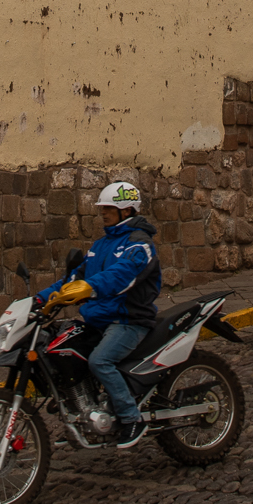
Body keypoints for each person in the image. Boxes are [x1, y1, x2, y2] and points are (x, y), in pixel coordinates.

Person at [36, 181, 161, 448]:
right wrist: (40, 298)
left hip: (127, 319)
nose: (103, 213)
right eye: (102, 208)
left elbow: (122, 274)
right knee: (62, 350)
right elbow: (72, 278)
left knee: (100, 362)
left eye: (109, 209)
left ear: (127, 211)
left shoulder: (140, 244)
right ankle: (81, 415)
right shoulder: (100, 245)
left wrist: (91, 287)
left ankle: (131, 419)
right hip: (98, 319)